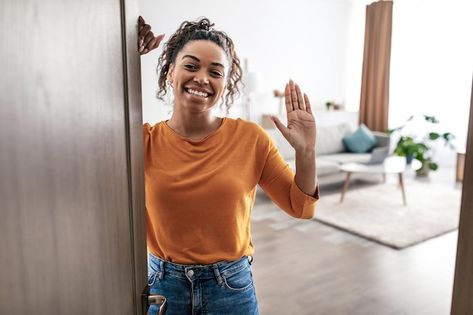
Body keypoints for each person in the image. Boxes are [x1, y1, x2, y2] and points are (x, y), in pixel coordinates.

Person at [139, 16, 320, 315]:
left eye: (215, 72)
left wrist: (306, 151)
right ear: (171, 72)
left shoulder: (250, 138)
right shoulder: (142, 141)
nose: (202, 78)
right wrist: (117, 53)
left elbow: (301, 208)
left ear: (225, 83)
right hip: (163, 289)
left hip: (230, 290)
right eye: (191, 65)